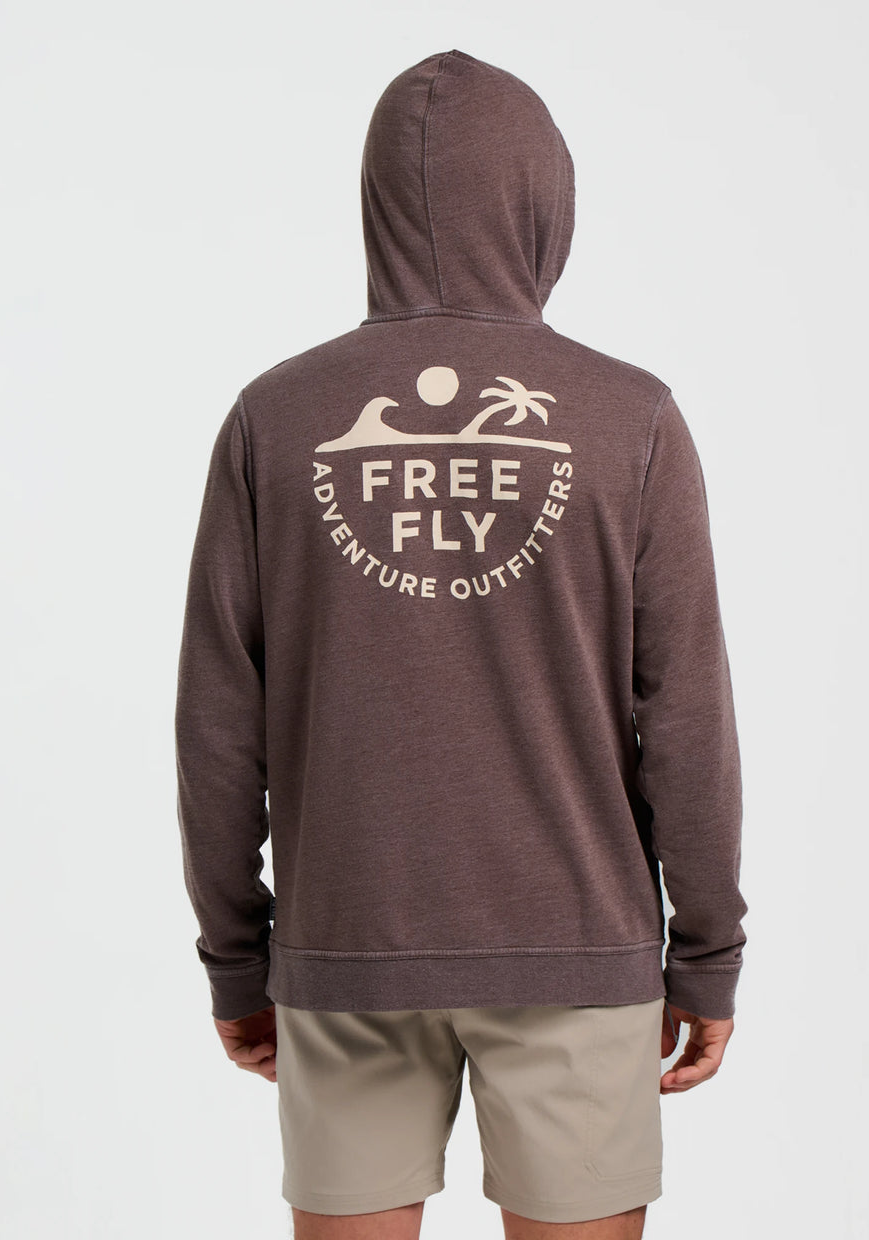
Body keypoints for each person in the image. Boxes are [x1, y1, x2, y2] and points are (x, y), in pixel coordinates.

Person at [175, 48, 748, 1240]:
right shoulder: (629, 417)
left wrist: (238, 955)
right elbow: (685, 717)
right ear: (544, 203)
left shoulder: (273, 417)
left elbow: (218, 722)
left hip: (346, 946)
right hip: (574, 953)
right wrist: (704, 952)